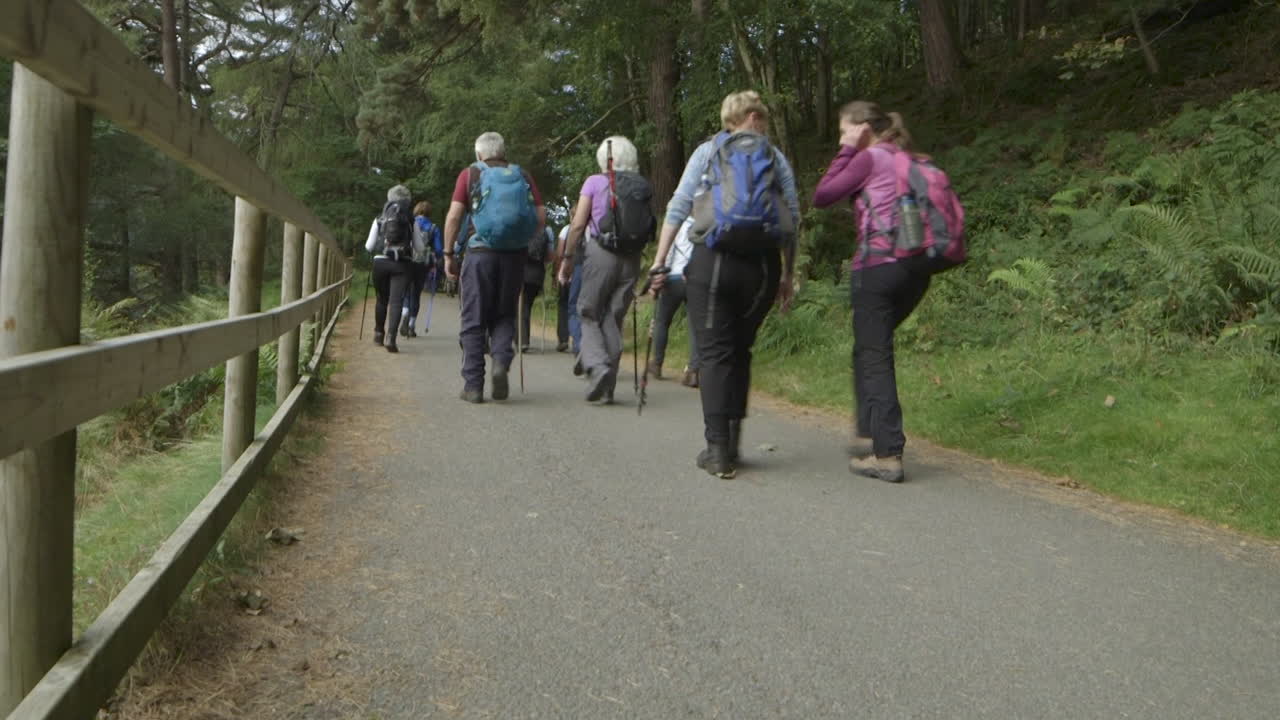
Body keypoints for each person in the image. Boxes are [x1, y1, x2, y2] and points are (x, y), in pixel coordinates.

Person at [650, 90, 799, 478]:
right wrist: (787, 273)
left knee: (714, 353)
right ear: (753, 117)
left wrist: (659, 261)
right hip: (762, 268)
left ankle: (717, 453)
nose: (763, 124)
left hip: (712, 262)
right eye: (762, 117)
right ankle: (733, 442)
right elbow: (792, 219)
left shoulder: (707, 152)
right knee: (740, 350)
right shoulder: (774, 157)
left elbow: (678, 207)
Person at [812, 101, 933, 484]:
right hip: (917, 269)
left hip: (878, 267)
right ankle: (867, 432)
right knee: (869, 347)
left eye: (844, 129)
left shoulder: (869, 157)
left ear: (863, 127)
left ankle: (887, 453)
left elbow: (823, 195)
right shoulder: (909, 158)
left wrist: (849, 148)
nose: (841, 137)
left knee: (875, 354)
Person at [443, 131, 547, 403]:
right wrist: (523, 240)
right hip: (514, 257)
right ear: (503, 152)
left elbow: (454, 216)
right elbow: (540, 216)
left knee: (473, 318)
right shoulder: (522, 175)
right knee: (504, 314)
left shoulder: (471, 174)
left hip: (479, 253)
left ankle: (473, 385)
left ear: (479, 154)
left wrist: (447, 253)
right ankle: (501, 362)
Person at [557, 136, 656, 404]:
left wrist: (567, 259)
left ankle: (598, 367)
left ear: (606, 159)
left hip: (601, 253)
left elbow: (578, 226)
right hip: (632, 258)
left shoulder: (595, 182)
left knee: (587, 311)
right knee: (613, 318)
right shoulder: (641, 186)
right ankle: (608, 388)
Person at [364, 184, 423, 353]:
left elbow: (369, 246)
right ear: (407, 201)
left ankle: (378, 334)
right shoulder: (411, 219)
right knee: (396, 301)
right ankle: (391, 338)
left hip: (380, 262)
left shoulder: (380, 218)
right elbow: (419, 248)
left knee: (382, 299)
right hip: (402, 264)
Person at [647, 216, 699, 388]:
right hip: (695, 280)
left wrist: (658, 280)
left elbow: (668, 254)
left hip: (674, 278)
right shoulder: (704, 224)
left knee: (662, 321)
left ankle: (657, 363)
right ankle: (693, 370)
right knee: (694, 325)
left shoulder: (676, 224)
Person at [400, 200, 443, 338]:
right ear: (429, 213)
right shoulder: (433, 228)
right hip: (422, 264)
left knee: (406, 291)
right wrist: (436, 259)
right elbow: (438, 249)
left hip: (407, 261)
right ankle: (412, 326)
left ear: (416, 210)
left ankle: (404, 313)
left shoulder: (410, 222)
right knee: (416, 294)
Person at [519, 225, 558, 351]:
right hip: (537, 274)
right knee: (527, 304)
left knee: (520, 305)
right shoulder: (547, 231)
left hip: (521, 270)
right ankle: (522, 339)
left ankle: (522, 340)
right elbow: (550, 256)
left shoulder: (521, 225)